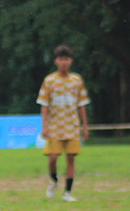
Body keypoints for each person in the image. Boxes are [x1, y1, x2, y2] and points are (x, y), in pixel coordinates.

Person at [37, 44, 90, 201]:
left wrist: (85, 126)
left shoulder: (77, 80)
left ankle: (67, 192)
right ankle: (53, 180)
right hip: (54, 127)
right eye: (61, 59)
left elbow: (82, 105)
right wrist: (45, 126)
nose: (64, 63)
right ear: (56, 61)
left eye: (66, 59)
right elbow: (44, 105)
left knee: (71, 159)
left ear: (71, 61)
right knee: (53, 158)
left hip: (72, 126)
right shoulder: (50, 81)